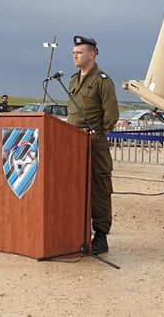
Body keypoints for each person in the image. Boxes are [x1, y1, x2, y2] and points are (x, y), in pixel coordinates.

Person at [66, 35, 118, 255]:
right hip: (72, 143)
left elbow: (111, 114)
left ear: (92, 54)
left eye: (79, 53)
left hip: (94, 144)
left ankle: (101, 235)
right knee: (74, 187)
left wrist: (99, 132)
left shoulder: (102, 81)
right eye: (73, 53)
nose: (75, 56)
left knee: (99, 189)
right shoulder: (73, 80)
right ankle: (75, 230)